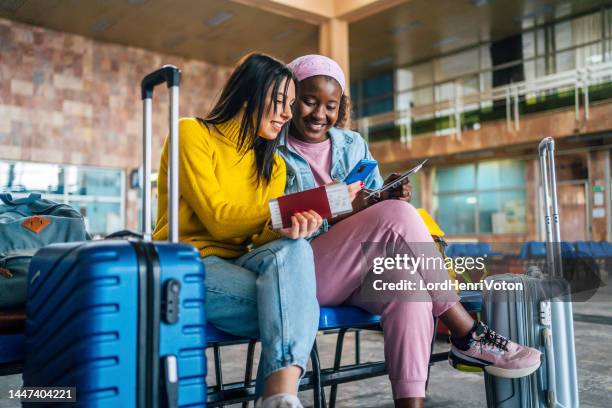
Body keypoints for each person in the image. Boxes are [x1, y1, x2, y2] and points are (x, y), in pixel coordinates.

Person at [277, 54, 542, 408]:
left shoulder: (351, 143)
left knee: (407, 284)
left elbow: (371, 203)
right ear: (291, 97)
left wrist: (385, 193)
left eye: (330, 105)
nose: (319, 114)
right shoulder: (273, 147)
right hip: (305, 270)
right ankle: (467, 332)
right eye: (309, 101)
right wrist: (347, 207)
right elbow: (278, 217)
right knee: (399, 214)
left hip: (356, 271)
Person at [153, 53, 322, 408]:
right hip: (187, 263)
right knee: (294, 310)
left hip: (241, 262)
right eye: (280, 102)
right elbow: (220, 218)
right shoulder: (192, 134)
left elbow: (255, 236)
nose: (289, 114)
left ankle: (279, 396)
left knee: (297, 250)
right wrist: (279, 214)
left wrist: (290, 226)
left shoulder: (273, 164)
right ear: (249, 94)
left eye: (291, 104)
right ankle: (277, 398)